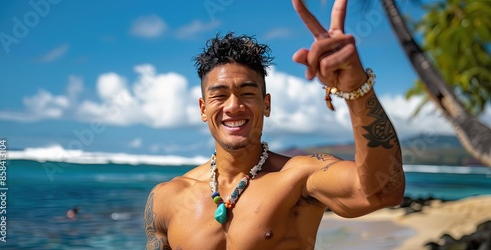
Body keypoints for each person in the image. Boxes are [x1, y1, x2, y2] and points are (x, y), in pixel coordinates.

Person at [144, 0, 405, 249]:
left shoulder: (298, 178)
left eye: (247, 93)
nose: (233, 106)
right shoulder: (167, 198)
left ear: (266, 104)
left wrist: (356, 87)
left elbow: (383, 191)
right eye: (219, 95)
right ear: (203, 109)